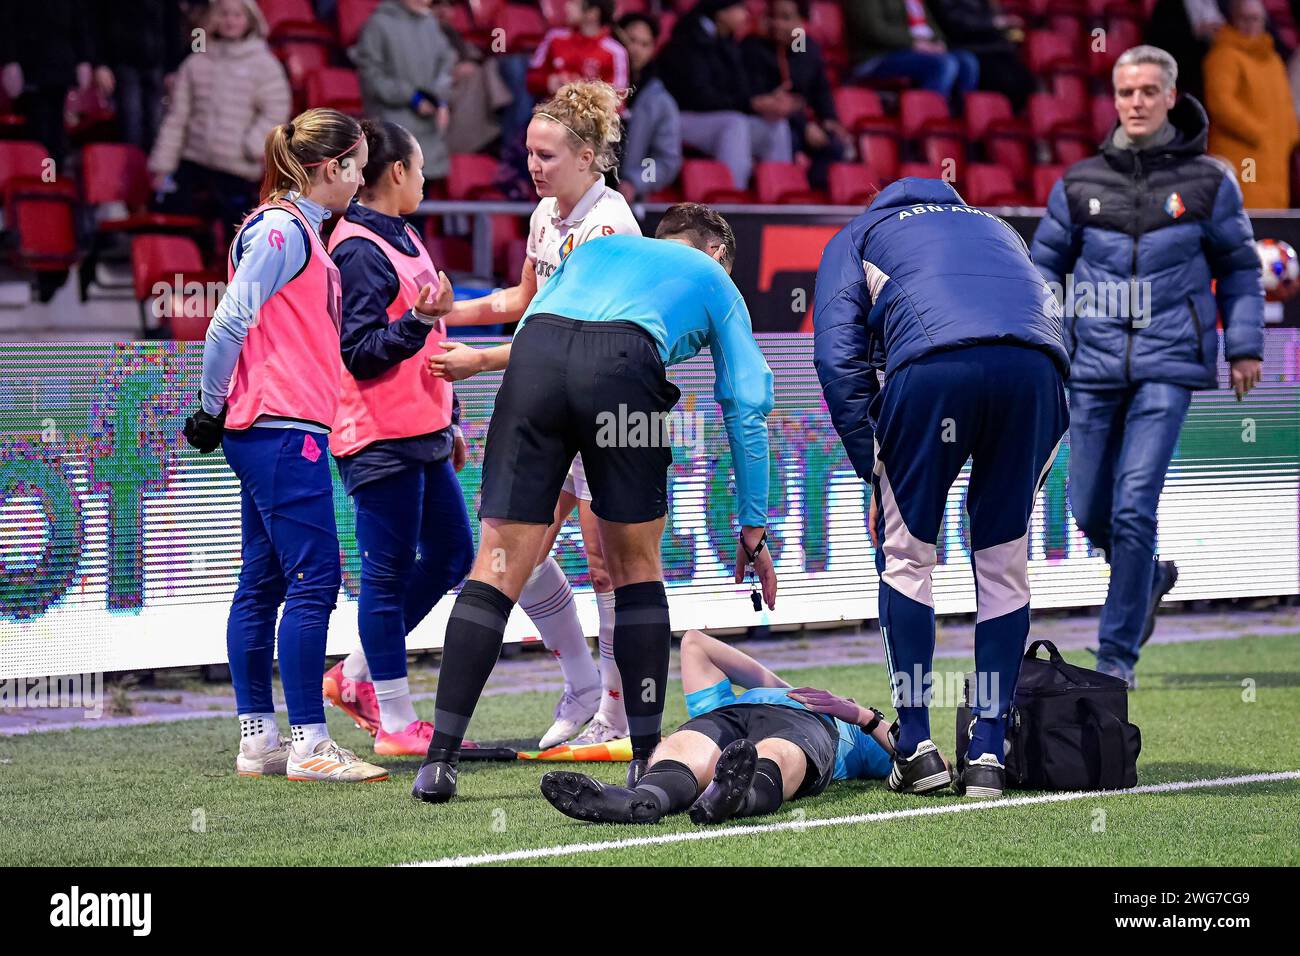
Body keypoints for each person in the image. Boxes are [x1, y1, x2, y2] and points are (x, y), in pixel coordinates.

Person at [412, 203, 778, 804]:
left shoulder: (596, 252)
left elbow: (534, 320)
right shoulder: (713, 277)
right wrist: (753, 527)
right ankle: (643, 761)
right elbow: (746, 402)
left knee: (496, 567)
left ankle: (439, 761)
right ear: (716, 255)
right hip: (622, 367)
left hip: (534, 356)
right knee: (636, 568)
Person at [815, 176, 1070, 798]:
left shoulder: (858, 234)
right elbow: (1050, 313)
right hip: (1039, 372)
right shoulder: (998, 226)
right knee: (1004, 561)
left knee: (907, 556)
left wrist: (872, 471)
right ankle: (987, 750)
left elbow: (835, 357)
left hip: (933, 370)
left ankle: (918, 746)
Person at [1031, 45, 1265, 688]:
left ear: (1169, 96)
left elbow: (1240, 268)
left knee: (1134, 505)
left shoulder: (1211, 180)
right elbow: (1045, 266)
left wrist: (1244, 345)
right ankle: (1150, 576)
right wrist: (1051, 337)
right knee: (1086, 508)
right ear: (1115, 98)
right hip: (1094, 363)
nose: (1135, 102)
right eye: (1125, 91)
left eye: (1147, 91)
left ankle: (1117, 657)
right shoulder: (1079, 183)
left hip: (1170, 363)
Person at [433, 81, 643, 750]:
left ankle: (613, 713)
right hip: (548, 405)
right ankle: (582, 683)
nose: (533, 167)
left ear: (589, 157)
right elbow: (524, 301)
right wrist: (445, 310)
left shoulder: (608, 226)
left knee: (608, 568)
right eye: (528, 153)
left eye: (546, 155)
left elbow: (571, 332)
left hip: (606, 406)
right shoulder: (544, 216)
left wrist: (480, 362)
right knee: (511, 556)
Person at [181, 107, 388, 783]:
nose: (361, 180)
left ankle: (260, 740)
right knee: (313, 580)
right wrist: (209, 409)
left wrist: (221, 413)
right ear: (330, 168)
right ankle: (309, 743)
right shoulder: (282, 230)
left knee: (265, 582)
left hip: (275, 426)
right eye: (356, 166)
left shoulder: (293, 229)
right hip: (278, 427)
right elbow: (227, 323)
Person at [318, 119, 472, 759]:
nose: (429, 176)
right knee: (383, 580)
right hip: (377, 435)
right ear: (398, 173)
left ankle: (353, 676)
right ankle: (397, 723)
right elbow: (359, 354)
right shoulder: (357, 249)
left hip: (422, 430)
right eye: (421, 165)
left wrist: (451, 416)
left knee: (452, 555)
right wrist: (417, 320)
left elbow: (430, 339)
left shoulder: (405, 233)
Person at [540, 629, 893, 825]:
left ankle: (734, 799)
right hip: (736, 712)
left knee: (776, 752)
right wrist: (778, 686)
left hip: (812, 726)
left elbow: (919, 757)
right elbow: (696, 643)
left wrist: (862, 715)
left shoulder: (855, 734)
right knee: (683, 747)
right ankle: (641, 800)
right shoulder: (748, 693)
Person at [149, 0, 291, 236]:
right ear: (213, 18)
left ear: (250, 20)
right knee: (174, 219)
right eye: (224, 14)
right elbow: (177, 118)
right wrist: (162, 166)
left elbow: (275, 111)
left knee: (237, 236)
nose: (230, 21)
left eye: (237, 15)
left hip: (237, 168)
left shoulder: (265, 65)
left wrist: (253, 145)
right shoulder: (195, 63)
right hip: (194, 163)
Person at [657, 0, 794, 190]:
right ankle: (733, 201)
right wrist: (751, 103)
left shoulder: (727, 41)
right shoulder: (689, 41)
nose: (745, 15)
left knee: (775, 125)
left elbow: (739, 89)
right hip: (677, 118)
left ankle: (779, 196)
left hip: (715, 117)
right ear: (721, 12)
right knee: (734, 123)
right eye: (739, 8)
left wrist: (766, 101)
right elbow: (699, 98)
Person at [741, 0, 851, 190]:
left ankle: (813, 196)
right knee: (789, 137)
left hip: (800, 121)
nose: (777, 24)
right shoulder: (753, 47)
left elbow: (818, 88)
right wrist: (804, 126)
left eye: (786, 18)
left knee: (834, 144)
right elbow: (760, 100)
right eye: (773, 17)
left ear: (801, 22)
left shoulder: (802, 46)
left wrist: (828, 119)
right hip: (770, 123)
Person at [1203, 0, 1299, 209]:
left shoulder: (1272, 59)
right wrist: (1258, 132)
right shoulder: (1224, 55)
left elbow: (1285, 102)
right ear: (1233, 20)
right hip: (1245, 156)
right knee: (1248, 204)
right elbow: (1220, 102)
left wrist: (1289, 135)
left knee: (1273, 219)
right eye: (1245, 18)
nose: (1251, 25)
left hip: (1273, 154)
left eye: (1256, 19)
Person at [353, 0, 456, 185]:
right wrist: (412, 97)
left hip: (429, 139)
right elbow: (372, 78)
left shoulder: (430, 23)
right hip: (392, 133)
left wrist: (439, 100)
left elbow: (446, 65)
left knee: (423, 203)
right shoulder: (378, 24)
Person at [0, 0, 94, 165]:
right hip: (30, 67)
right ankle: (40, 178)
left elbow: (80, 20)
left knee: (56, 133)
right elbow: (7, 21)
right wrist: (10, 60)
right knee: (38, 132)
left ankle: (51, 179)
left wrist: (83, 59)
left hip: (60, 66)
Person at [845, 0, 978, 101]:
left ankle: (956, 120)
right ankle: (927, 119)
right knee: (943, 64)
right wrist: (914, 43)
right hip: (877, 56)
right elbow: (873, 30)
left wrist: (938, 42)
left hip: (914, 51)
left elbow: (929, 25)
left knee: (967, 61)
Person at [614, 11, 682, 202]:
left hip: (625, 203)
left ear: (652, 50)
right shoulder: (591, 85)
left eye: (644, 44)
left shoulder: (660, 102)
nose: (635, 49)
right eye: (631, 40)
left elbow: (663, 161)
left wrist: (636, 181)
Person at [930, 0, 1035, 112]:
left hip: (995, 47)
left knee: (1028, 81)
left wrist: (1005, 27)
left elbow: (993, 18)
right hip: (971, 48)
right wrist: (994, 23)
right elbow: (955, 23)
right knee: (1007, 83)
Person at [526, 0, 629, 99]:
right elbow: (531, 78)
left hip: (591, 116)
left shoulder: (615, 52)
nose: (567, 6)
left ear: (593, 13)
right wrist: (548, 82)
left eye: (574, 2)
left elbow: (618, 98)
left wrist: (583, 92)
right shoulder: (555, 37)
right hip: (550, 113)